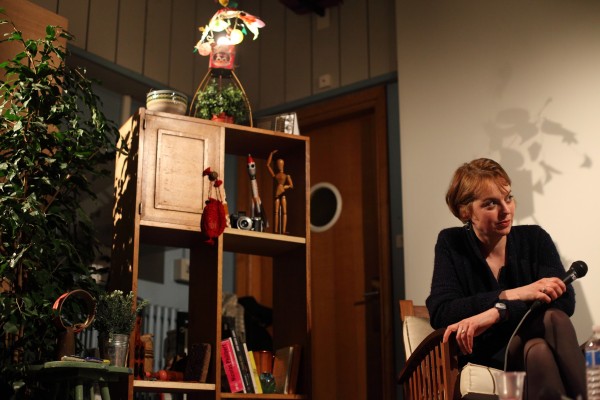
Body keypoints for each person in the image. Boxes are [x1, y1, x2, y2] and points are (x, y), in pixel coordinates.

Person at [426, 158, 586, 400]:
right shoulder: (452, 243)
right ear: (465, 211)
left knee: (540, 346)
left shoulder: (535, 238)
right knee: (545, 335)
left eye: (508, 198)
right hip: (487, 354)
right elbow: (442, 312)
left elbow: (564, 301)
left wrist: (498, 312)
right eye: (491, 203)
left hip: (531, 345)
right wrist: (510, 294)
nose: (506, 210)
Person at [267, 150, 293, 234]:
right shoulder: (276, 175)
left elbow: (291, 185)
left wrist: (285, 187)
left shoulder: (286, 176)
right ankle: (276, 230)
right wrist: (271, 154)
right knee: (276, 212)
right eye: (278, 164)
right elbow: (268, 165)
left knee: (284, 212)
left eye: (281, 164)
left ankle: (284, 230)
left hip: (283, 193)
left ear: (283, 165)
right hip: (277, 193)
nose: (280, 166)